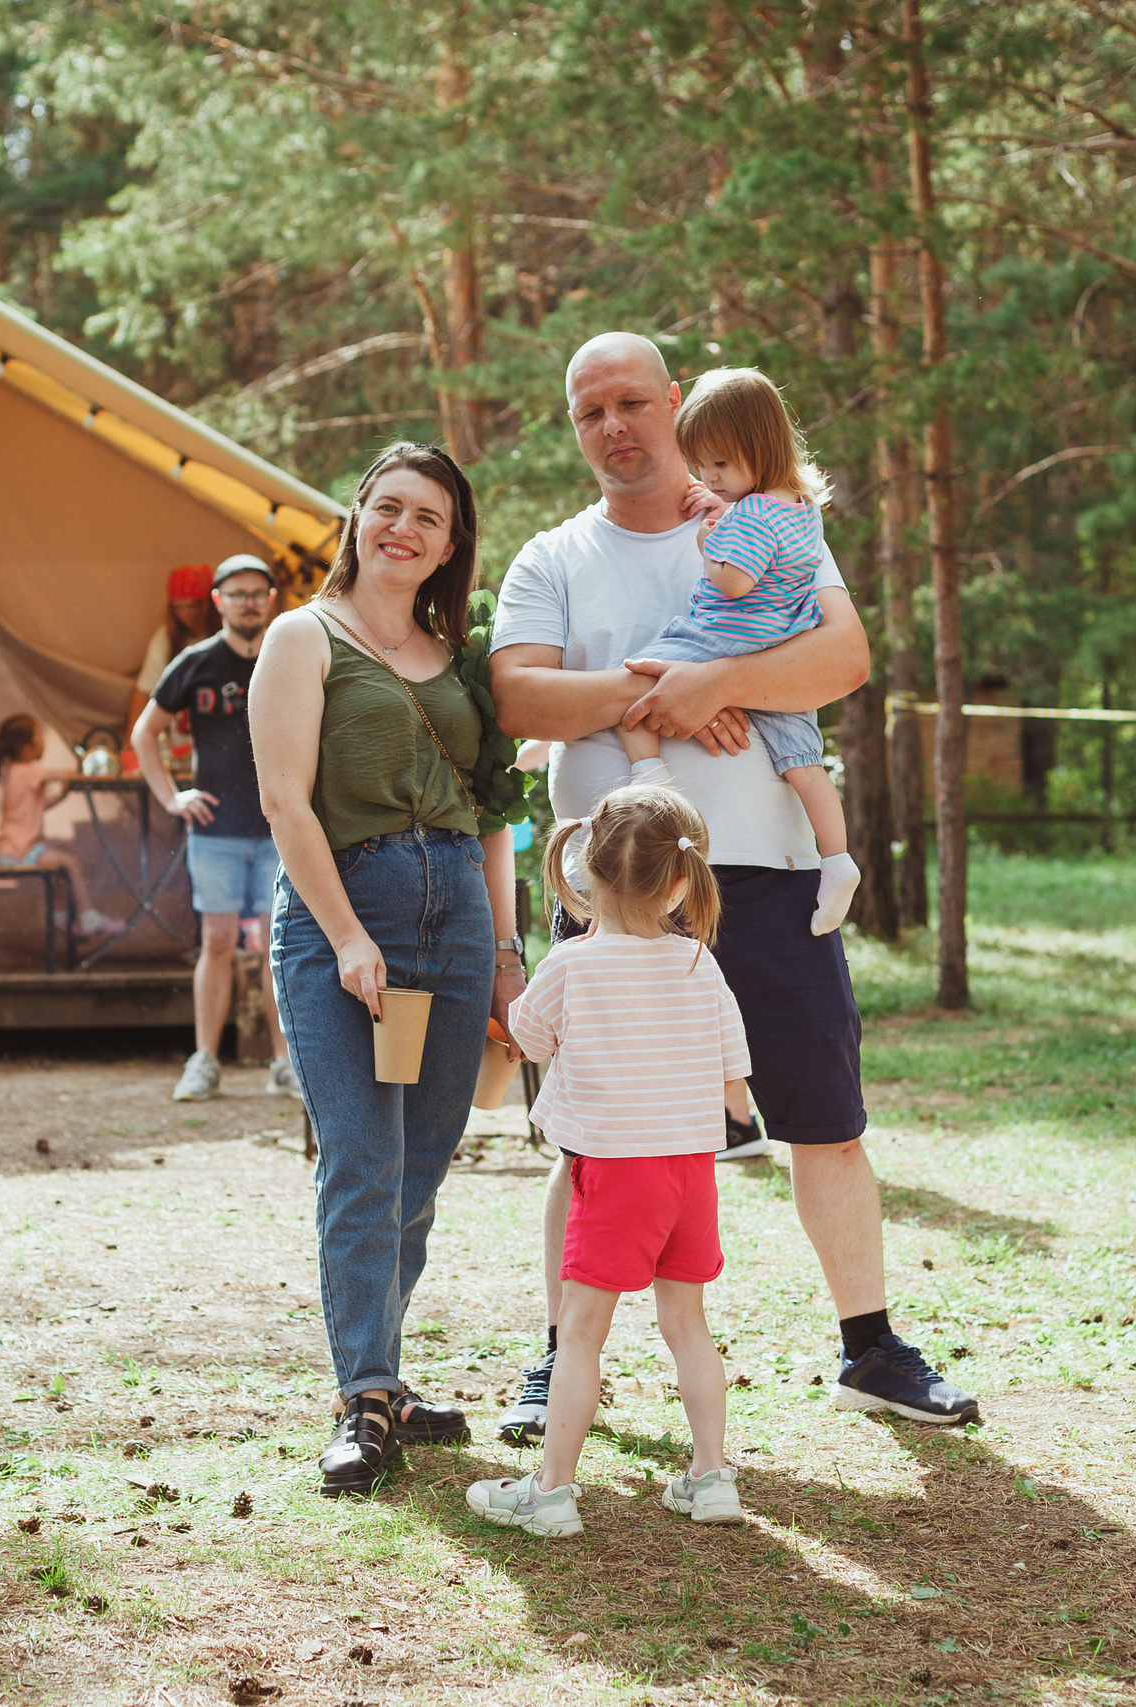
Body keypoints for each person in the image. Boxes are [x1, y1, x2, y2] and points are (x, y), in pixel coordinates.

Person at [488, 331, 978, 1445]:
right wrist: (651, 696)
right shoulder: (554, 557)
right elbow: (519, 698)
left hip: (766, 871)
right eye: (588, 412)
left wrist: (723, 679)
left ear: (674, 404)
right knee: (593, 1141)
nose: (612, 427)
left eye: (630, 402)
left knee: (824, 1118)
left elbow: (841, 659)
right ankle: (564, 1356)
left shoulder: (772, 517)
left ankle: (872, 1350)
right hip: (615, 891)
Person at [248, 441, 523, 1498]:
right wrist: (349, 935)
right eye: (389, 507)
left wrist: (505, 952)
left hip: (454, 915)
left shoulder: (460, 656)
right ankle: (361, 1395)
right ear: (357, 517)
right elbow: (284, 801)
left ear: (451, 545)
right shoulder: (299, 638)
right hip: (342, 920)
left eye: (430, 519)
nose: (404, 528)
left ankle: (388, 1380)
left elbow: (496, 810)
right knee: (360, 1159)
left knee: (419, 1162)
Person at [467, 784, 751, 1539]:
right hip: (689, 1170)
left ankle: (552, 1490)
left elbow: (525, 1038)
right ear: (683, 881)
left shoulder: (572, 963)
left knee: (581, 1333)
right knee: (688, 1324)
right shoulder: (700, 963)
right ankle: (712, 1474)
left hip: (614, 1171)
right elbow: (735, 1077)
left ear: (586, 874)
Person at [612, 367, 859, 935]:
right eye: (701, 467)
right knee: (804, 764)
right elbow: (768, 544)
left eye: (719, 465)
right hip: (784, 650)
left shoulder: (746, 514)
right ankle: (840, 861)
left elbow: (734, 581)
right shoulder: (800, 505)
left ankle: (651, 783)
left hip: (726, 635)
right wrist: (719, 499)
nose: (709, 478)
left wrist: (706, 541)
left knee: (637, 683)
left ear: (758, 449)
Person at [133, 552, 297, 1101]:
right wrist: (172, 797)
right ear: (217, 602)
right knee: (220, 940)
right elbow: (143, 734)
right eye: (237, 594)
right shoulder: (195, 661)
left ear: (272, 599)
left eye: (258, 593)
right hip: (216, 830)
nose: (248, 603)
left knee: (282, 943)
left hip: (283, 829)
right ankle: (203, 1061)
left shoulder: (290, 654)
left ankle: (287, 1063)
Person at [0, 713, 127, 948]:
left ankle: (60, 920)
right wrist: (84, 769)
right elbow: (64, 774)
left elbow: (38, 807)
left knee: (62, 872)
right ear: (25, 747)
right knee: (71, 863)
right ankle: (88, 917)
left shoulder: (14, 772)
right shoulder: (27, 771)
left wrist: (63, 793)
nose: (43, 743)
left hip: (13, 848)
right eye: (39, 737)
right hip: (20, 851)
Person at [127, 565, 220, 737]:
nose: (184, 614)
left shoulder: (225, 637)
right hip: (180, 740)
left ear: (207, 605)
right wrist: (131, 746)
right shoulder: (166, 639)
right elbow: (143, 691)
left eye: (190, 606)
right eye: (178, 607)